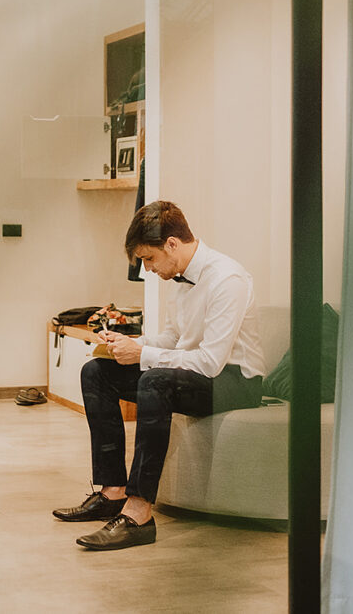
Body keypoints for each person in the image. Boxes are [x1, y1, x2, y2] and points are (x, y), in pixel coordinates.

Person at [53, 200, 266, 550]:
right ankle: (112, 492)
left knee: (154, 380)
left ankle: (139, 513)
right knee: (96, 372)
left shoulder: (228, 279)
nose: (148, 269)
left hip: (235, 382)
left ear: (171, 244)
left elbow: (211, 363)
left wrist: (144, 355)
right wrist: (131, 343)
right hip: (195, 371)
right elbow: (174, 340)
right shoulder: (179, 279)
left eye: (149, 259)